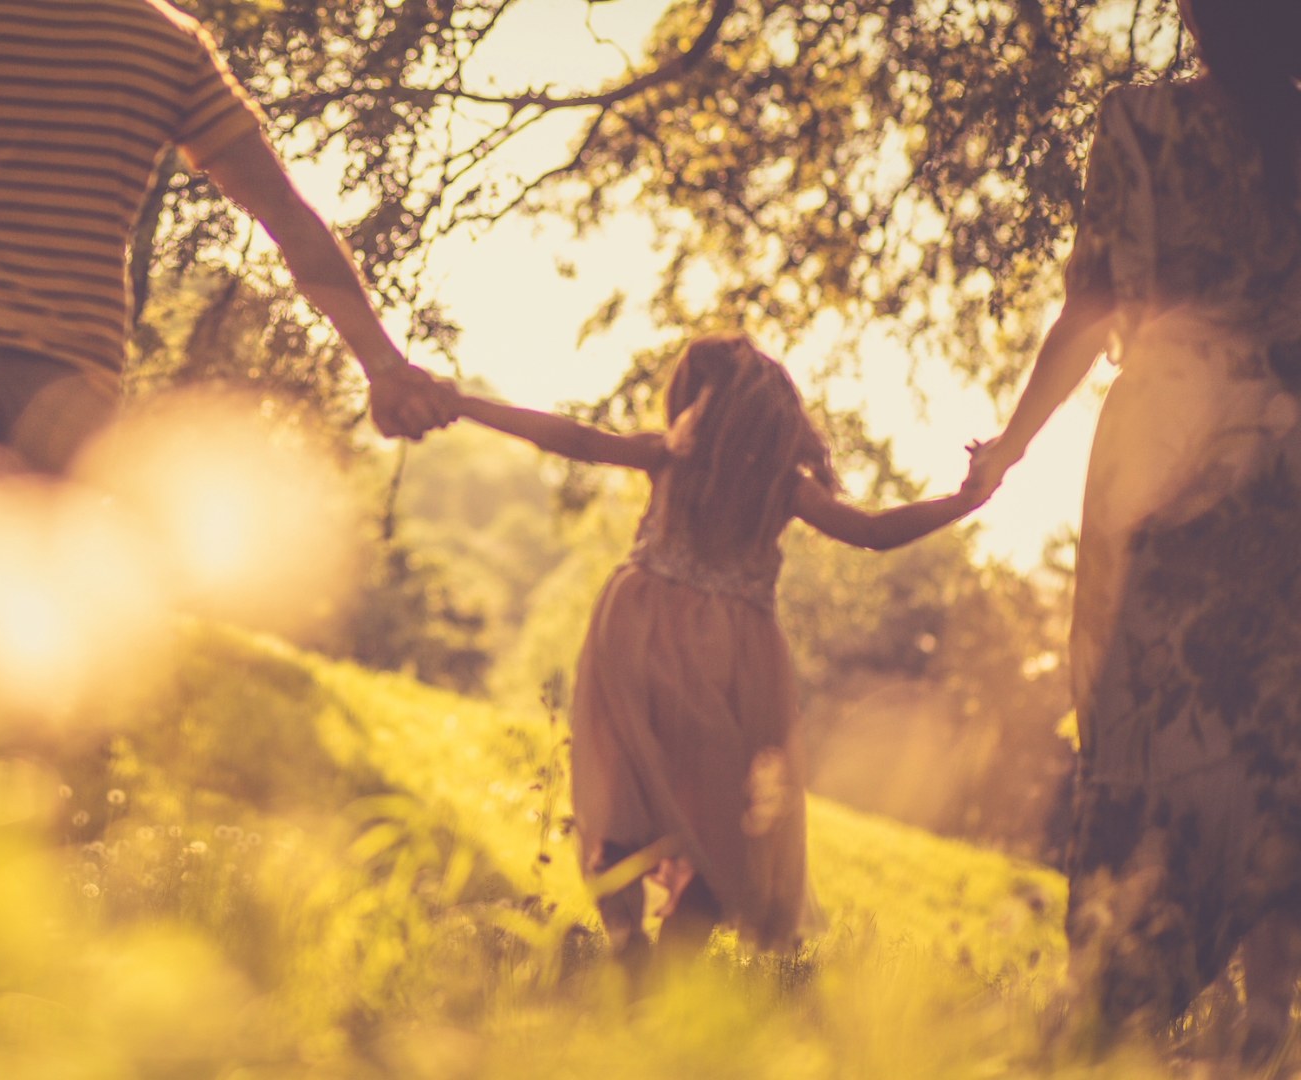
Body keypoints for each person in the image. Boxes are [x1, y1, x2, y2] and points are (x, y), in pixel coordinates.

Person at [967, 0, 1301, 1054]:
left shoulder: (1142, 121)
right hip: (1283, 454)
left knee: (1143, 720)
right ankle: (1266, 1013)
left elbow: (1092, 307)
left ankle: (1118, 989)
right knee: (1270, 732)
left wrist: (1007, 450)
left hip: (1162, 445)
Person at [451, 334, 995, 971]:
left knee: (624, 790)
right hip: (735, 655)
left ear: (703, 402)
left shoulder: (671, 458)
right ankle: (670, 958)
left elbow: (570, 437)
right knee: (726, 817)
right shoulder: (776, 485)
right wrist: (967, 499)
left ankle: (632, 948)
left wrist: (464, 404)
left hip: (640, 630)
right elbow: (870, 532)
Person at [0, 0, 452, 471]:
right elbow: (286, 216)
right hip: (70, 399)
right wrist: (383, 366)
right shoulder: (167, 43)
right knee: (34, 664)